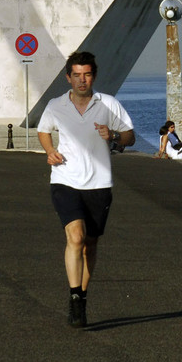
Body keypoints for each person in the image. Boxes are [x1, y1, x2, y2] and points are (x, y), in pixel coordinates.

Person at [36, 52, 135, 330]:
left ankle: (83, 295)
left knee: (90, 243)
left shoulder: (109, 104)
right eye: (77, 75)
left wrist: (113, 135)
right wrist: (50, 151)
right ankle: (74, 297)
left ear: (94, 75)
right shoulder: (56, 105)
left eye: (87, 74)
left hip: (99, 184)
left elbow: (130, 135)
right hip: (65, 180)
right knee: (76, 237)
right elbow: (44, 131)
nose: (82, 80)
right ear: (68, 77)